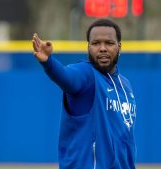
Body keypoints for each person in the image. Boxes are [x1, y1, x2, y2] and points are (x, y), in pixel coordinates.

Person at [32, 19, 137, 169]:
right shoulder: (87, 74)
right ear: (88, 47)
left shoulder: (125, 85)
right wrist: (49, 62)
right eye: (95, 43)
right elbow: (67, 77)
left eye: (109, 43)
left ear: (119, 47)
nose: (102, 48)